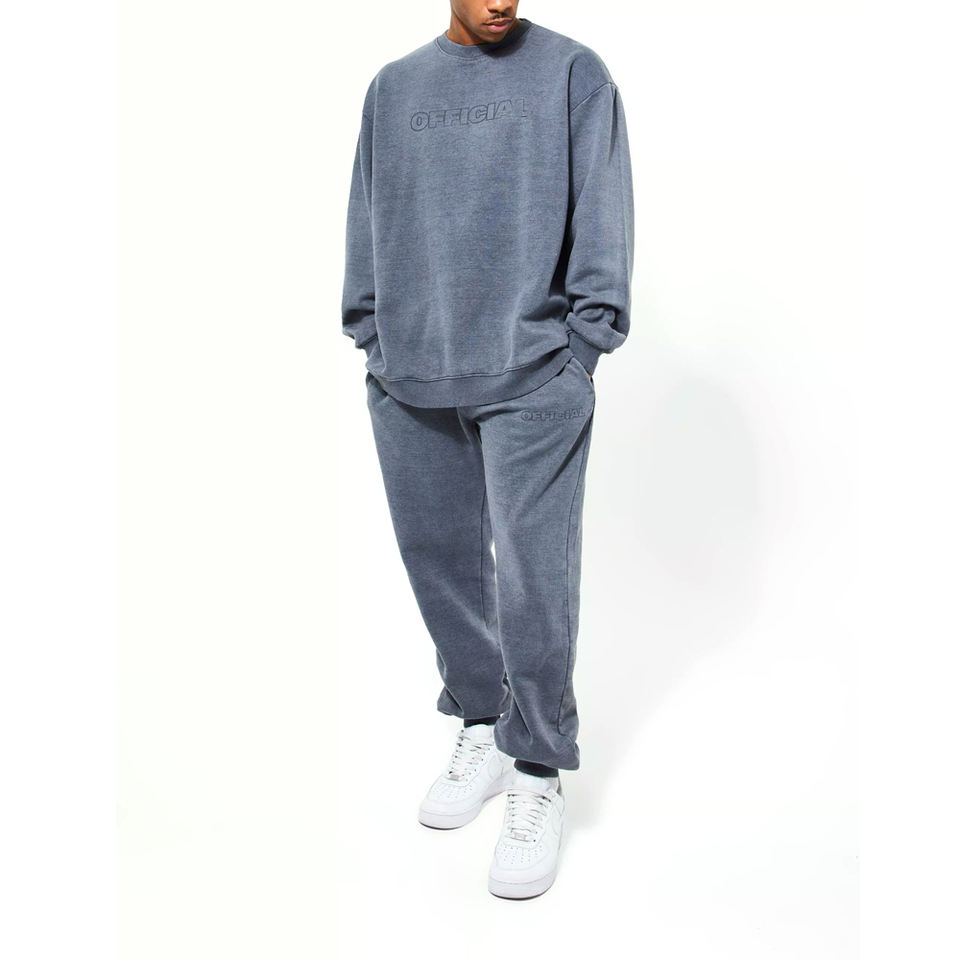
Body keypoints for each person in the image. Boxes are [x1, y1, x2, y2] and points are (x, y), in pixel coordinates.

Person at [340, 2, 634, 899]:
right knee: (439, 564)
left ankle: (537, 768)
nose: (503, 1)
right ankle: (482, 721)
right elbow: (365, 213)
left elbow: (604, 209)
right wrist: (371, 333)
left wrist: (583, 348)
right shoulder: (394, 88)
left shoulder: (573, 72)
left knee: (534, 578)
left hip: (534, 371)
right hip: (410, 370)